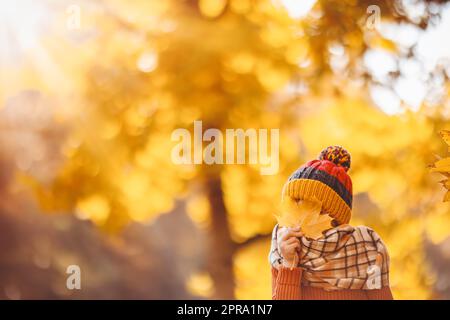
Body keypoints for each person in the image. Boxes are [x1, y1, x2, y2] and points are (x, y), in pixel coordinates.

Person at [269, 146, 393, 300]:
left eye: (309, 204)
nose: (298, 211)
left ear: (332, 214)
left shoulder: (365, 247)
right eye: (295, 202)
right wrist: (289, 265)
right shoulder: (283, 247)